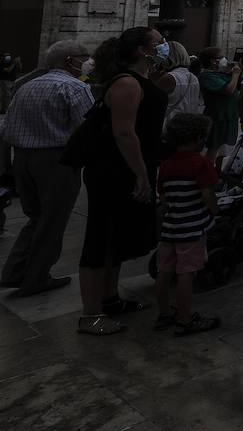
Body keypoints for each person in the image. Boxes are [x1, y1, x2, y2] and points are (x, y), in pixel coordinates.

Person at [76, 27, 169, 335]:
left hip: (130, 166)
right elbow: (124, 132)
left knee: (115, 237)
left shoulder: (138, 80)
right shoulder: (127, 82)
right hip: (116, 169)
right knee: (100, 238)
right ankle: (91, 315)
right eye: (157, 43)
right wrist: (141, 173)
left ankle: (110, 298)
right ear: (142, 51)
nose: (163, 46)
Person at [0, 40, 90, 296]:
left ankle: (15, 271)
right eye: (82, 58)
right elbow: (86, 131)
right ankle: (37, 278)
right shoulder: (75, 87)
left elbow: (6, 128)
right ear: (69, 60)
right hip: (56, 161)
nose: (85, 63)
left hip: (23, 158)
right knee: (53, 220)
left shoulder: (25, 85)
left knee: (36, 217)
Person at [153, 111, 221, 335]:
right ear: (197, 139)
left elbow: (162, 196)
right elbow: (207, 194)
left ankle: (164, 313)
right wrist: (213, 212)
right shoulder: (199, 164)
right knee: (186, 273)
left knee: (164, 271)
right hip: (192, 228)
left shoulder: (166, 165)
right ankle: (185, 317)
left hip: (170, 227)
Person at [197, 47, 243, 159]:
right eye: (222, 57)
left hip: (228, 117)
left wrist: (231, 72)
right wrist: (236, 74)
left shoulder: (219, 74)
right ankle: (208, 172)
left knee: (222, 150)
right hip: (217, 117)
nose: (225, 59)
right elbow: (228, 90)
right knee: (213, 148)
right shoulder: (206, 76)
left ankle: (217, 171)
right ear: (213, 61)